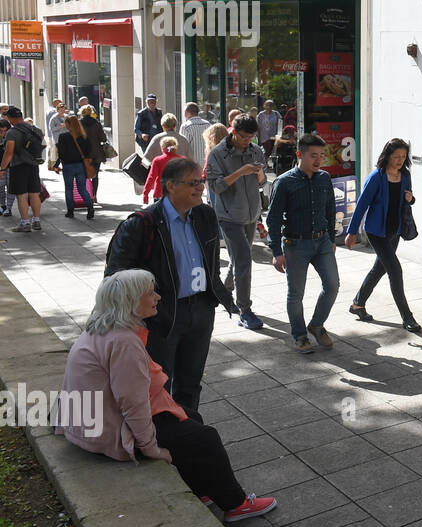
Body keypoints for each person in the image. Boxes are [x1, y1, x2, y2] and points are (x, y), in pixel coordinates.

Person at [57, 269, 275, 522]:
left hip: (92, 423)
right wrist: (152, 449)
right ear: (130, 301)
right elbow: (133, 404)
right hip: (106, 431)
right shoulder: (123, 342)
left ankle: (202, 489)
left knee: (191, 418)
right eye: (150, 293)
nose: (158, 297)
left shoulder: (104, 328)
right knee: (205, 438)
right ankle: (236, 504)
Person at [105, 158, 237, 414]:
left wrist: (214, 294)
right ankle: (160, 433)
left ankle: (187, 430)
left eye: (201, 181)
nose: (201, 187)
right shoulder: (142, 224)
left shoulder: (205, 214)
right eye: (193, 182)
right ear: (171, 186)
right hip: (161, 316)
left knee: (190, 382)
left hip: (201, 310)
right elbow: (115, 277)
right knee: (158, 383)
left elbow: (210, 261)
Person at [266, 132, 339, 354]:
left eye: (321, 156)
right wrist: (276, 251)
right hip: (295, 245)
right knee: (296, 293)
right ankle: (299, 335)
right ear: (300, 154)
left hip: (322, 242)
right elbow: (273, 218)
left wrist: (332, 239)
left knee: (332, 285)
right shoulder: (284, 182)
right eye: (313, 155)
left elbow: (330, 209)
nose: (319, 160)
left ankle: (316, 325)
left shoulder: (324, 177)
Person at [345, 137, 420, 331]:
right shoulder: (376, 177)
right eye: (396, 156)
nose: (400, 160)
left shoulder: (405, 176)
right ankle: (407, 317)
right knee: (395, 270)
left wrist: (411, 199)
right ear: (387, 156)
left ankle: (357, 304)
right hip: (376, 231)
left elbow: (407, 201)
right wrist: (352, 232)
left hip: (395, 231)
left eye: (403, 156)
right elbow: (361, 205)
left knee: (379, 269)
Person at [206, 115, 267, 331]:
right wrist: (240, 171)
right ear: (233, 131)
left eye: (251, 137)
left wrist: (259, 172)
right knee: (243, 260)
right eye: (243, 136)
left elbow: (263, 182)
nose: (246, 141)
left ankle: (225, 291)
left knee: (238, 258)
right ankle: (245, 310)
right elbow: (216, 187)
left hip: (251, 214)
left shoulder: (255, 150)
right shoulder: (218, 154)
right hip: (229, 215)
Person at [1, 105, 46, 233]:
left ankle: (25, 223)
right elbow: (41, 145)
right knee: (34, 194)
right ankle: (36, 220)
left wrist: (2, 168)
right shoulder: (35, 129)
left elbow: (9, 152)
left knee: (21, 196)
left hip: (18, 166)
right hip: (34, 165)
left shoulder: (12, 132)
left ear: (11, 118)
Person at [53, 114, 96, 220]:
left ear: (68, 125)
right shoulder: (84, 137)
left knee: (69, 189)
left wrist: (56, 165)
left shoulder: (63, 137)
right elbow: (88, 152)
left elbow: (61, 153)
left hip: (68, 166)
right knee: (82, 189)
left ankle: (70, 211)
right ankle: (90, 207)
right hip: (81, 165)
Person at [77, 104, 108, 202]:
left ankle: (86, 195)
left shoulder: (79, 124)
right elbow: (103, 138)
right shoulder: (97, 123)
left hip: (84, 153)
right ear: (91, 112)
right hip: (96, 153)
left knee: (84, 175)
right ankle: (94, 195)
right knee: (95, 175)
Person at [142, 136, 183, 204]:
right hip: (178, 194)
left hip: (160, 193)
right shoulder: (182, 160)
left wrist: (145, 194)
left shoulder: (158, 160)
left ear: (163, 148)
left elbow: (151, 178)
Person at [46, 100, 68, 168]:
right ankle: (57, 165)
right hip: (58, 138)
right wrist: (60, 126)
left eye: (64, 109)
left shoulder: (67, 117)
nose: (63, 111)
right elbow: (51, 129)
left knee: (64, 152)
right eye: (61, 109)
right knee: (62, 152)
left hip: (67, 138)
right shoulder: (54, 118)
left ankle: (58, 165)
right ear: (57, 110)